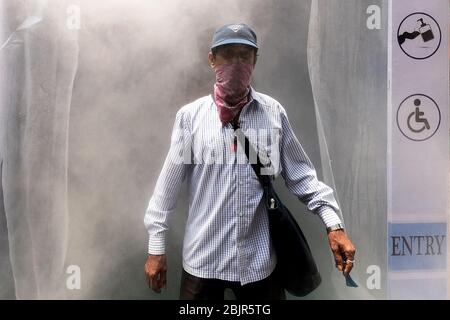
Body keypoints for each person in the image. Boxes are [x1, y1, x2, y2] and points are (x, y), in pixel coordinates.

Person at [144, 23, 356, 300]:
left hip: (258, 264)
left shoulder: (272, 113)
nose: (236, 62)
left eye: (244, 55)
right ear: (212, 59)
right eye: (227, 54)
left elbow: (302, 176)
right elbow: (166, 190)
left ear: (255, 60)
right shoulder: (191, 118)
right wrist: (156, 248)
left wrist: (334, 225)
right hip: (204, 262)